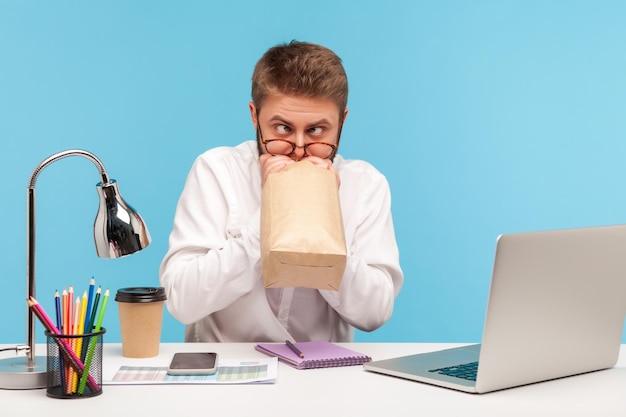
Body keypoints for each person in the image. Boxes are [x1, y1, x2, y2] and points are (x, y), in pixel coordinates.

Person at [159, 41, 403, 343]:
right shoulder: (216, 171)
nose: (298, 149)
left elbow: (374, 312)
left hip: (321, 377)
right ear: (254, 116)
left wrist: (321, 217)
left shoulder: (366, 184)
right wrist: (272, 213)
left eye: (316, 131)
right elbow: (182, 300)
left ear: (342, 121)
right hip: (226, 372)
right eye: (282, 128)